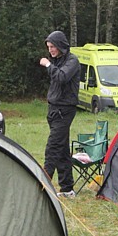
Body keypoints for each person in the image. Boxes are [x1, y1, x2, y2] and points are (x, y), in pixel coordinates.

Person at [40, 30, 80, 198]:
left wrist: (48, 65)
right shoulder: (57, 60)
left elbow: (62, 77)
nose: (50, 51)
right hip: (53, 109)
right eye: (48, 47)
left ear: (60, 45)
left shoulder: (72, 61)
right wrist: (52, 64)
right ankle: (67, 188)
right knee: (62, 149)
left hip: (65, 110)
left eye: (52, 47)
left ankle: (42, 186)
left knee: (53, 147)